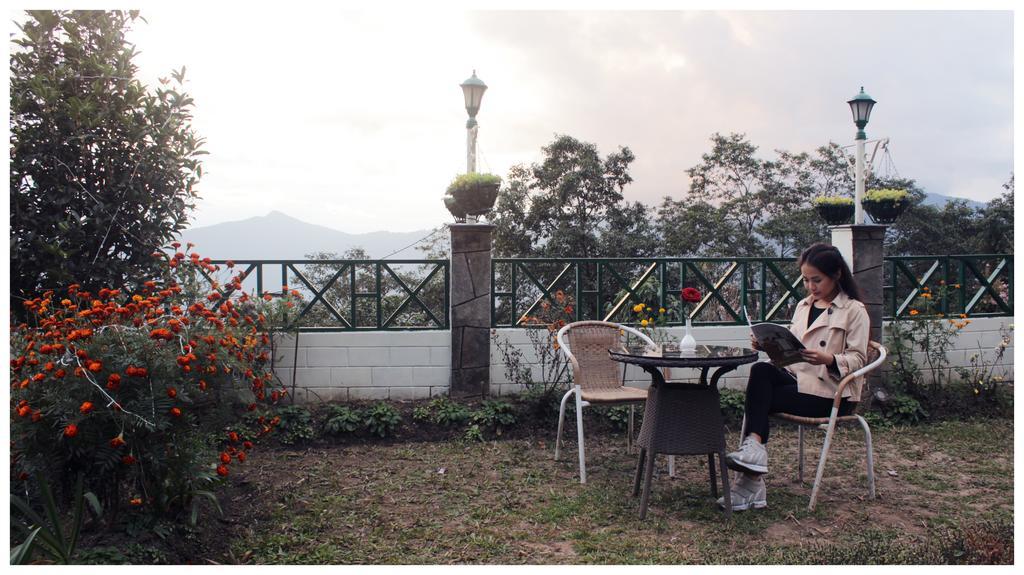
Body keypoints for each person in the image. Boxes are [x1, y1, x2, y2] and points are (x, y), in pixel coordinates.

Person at [719, 243, 870, 511]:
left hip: (833, 394)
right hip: (800, 380)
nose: (811, 287)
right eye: (805, 280)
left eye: (817, 280)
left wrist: (830, 359)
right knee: (761, 369)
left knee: (764, 398)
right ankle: (753, 451)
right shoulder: (803, 305)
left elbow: (859, 358)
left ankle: (751, 481)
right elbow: (792, 346)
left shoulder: (854, 310)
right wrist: (768, 345)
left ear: (836, 274)